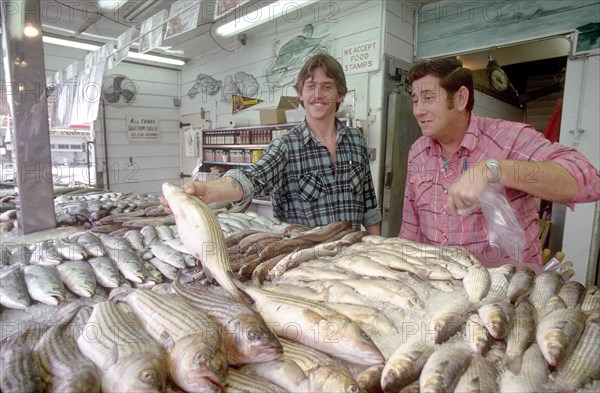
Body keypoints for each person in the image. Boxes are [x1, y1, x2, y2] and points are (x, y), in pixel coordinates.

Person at [399, 57, 600, 269]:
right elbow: (411, 229)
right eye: (415, 100)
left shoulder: (509, 138)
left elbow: (587, 180)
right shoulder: (418, 151)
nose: (418, 110)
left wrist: (494, 170)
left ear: (460, 98)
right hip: (442, 284)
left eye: (428, 98)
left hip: (507, 288)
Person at [166, 53, 381, 234]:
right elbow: (250, 178)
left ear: (340, 94)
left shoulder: (355, 140)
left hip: (353, 257)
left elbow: (369, 206)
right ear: (300, 94)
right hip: (305, 262)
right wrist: (206, 189)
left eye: (327, 87)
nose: (317, 94)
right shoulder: (286, 146)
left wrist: (376, 247)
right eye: (310, 86)